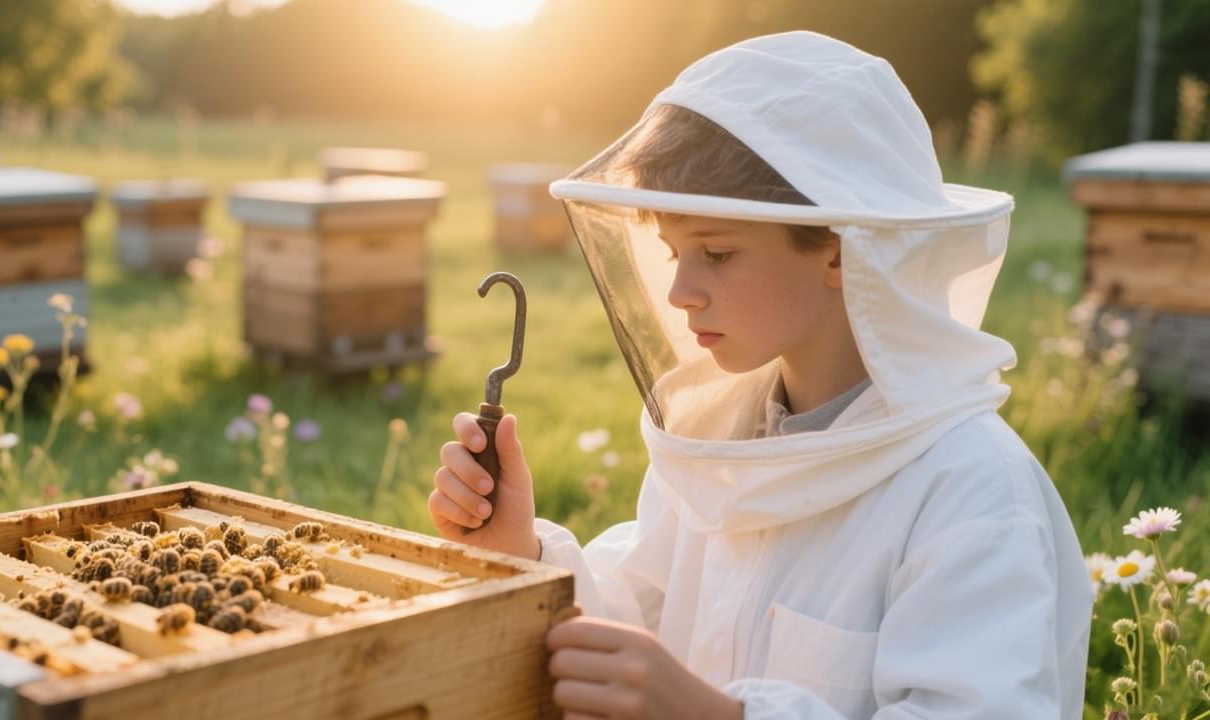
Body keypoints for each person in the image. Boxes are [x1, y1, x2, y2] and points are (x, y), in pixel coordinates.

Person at [428, 31, 1091, 719]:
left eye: (716, 253)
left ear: (841, 250)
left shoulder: (972, 491)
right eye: (673, 251)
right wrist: (525, 553)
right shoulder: (718, 442)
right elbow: (631, 629)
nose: (680, 292)